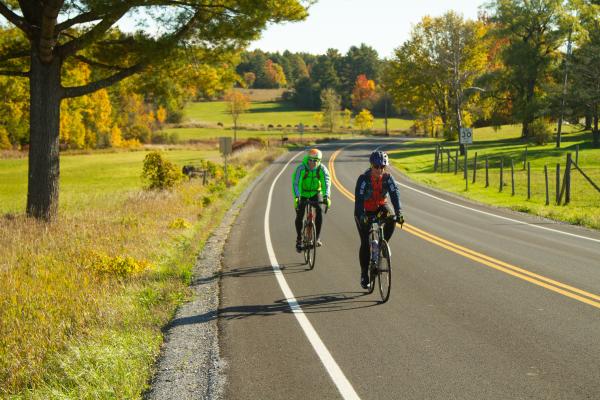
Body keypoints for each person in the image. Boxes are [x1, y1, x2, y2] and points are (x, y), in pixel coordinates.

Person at [354, 150, 404, 289]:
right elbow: (358, 201)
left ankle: (383, 244)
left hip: (380, 207)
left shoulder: (388, 178)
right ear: (371, 166)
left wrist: (399, 212)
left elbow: (395, 195)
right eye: (376, 167)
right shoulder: (363, 179)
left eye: (382, 167)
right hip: (364, 210)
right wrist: (362, 216)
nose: (379, 170)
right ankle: (364, 274)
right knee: (365, 242)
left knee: (392, 217)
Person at [292, 148, 331, 252]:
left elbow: (326, 183)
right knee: (299, 215)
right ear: (307, 159)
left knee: (319, 210)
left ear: (319, 161)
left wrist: (326, 196)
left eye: (315, 160)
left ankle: (317, 238)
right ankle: (299, 239)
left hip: (315, 192)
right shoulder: (301, 168)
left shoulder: (322, 169)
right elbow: (296, 183)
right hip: (303, 193)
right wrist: (297, 197)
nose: (312, 163)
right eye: (310, 160)